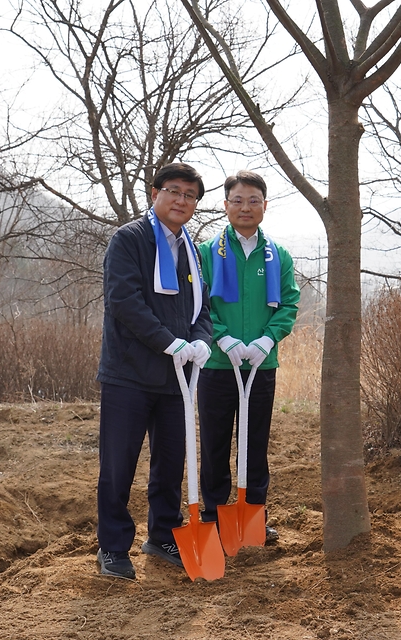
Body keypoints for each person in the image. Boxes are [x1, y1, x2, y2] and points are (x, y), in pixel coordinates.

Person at [95, 162, 214, 579]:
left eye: (190, 196)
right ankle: (112, 546)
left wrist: (201, 339)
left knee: (171, 462)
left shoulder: (191, 250)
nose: (182, 201)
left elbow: (203, 308)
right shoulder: (129, 240)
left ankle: (163, 534)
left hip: (176, 378)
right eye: (174, 191)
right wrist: (170, 342)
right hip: (129, 373)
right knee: (118, 465)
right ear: (155, 194)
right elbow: (125, 303)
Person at [196, 170, 300, 543]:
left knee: (255, 445)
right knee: (215, 444)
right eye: (237, 200)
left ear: (264, 206)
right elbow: (200, 305)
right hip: (216, 365)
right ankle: (213, 517)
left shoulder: (279, 255)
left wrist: (266, 342)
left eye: (253, 200)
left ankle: (253, 518)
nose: (245, 207)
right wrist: (222, 339)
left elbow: (289, 303)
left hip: (261, 365)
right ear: (225, 205)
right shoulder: (205, 252)